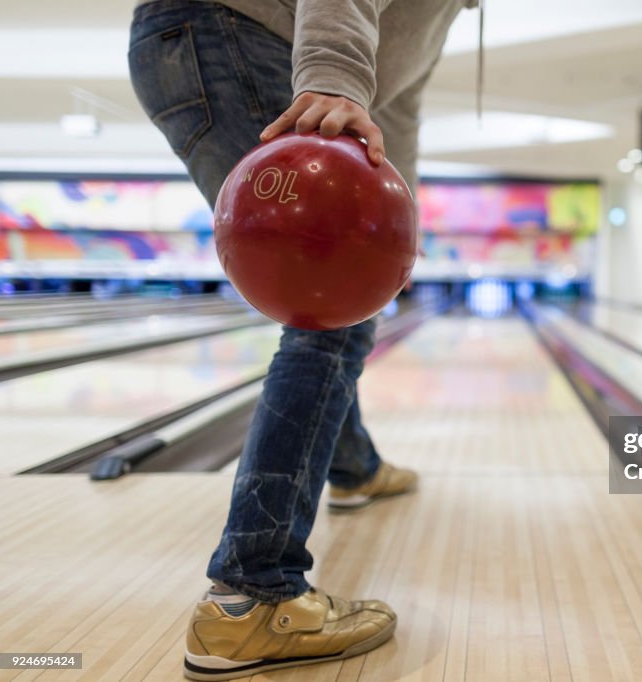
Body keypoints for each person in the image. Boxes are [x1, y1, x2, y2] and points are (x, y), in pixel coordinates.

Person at [127, 0, 477, 678]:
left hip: (200, 42)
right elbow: (361, 71)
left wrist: (390, 229)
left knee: (338, 299)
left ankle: (355, 468)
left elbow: (396, 102)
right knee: (325, 310)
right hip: (242, 35)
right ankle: (252, 596)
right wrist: (336, 77)